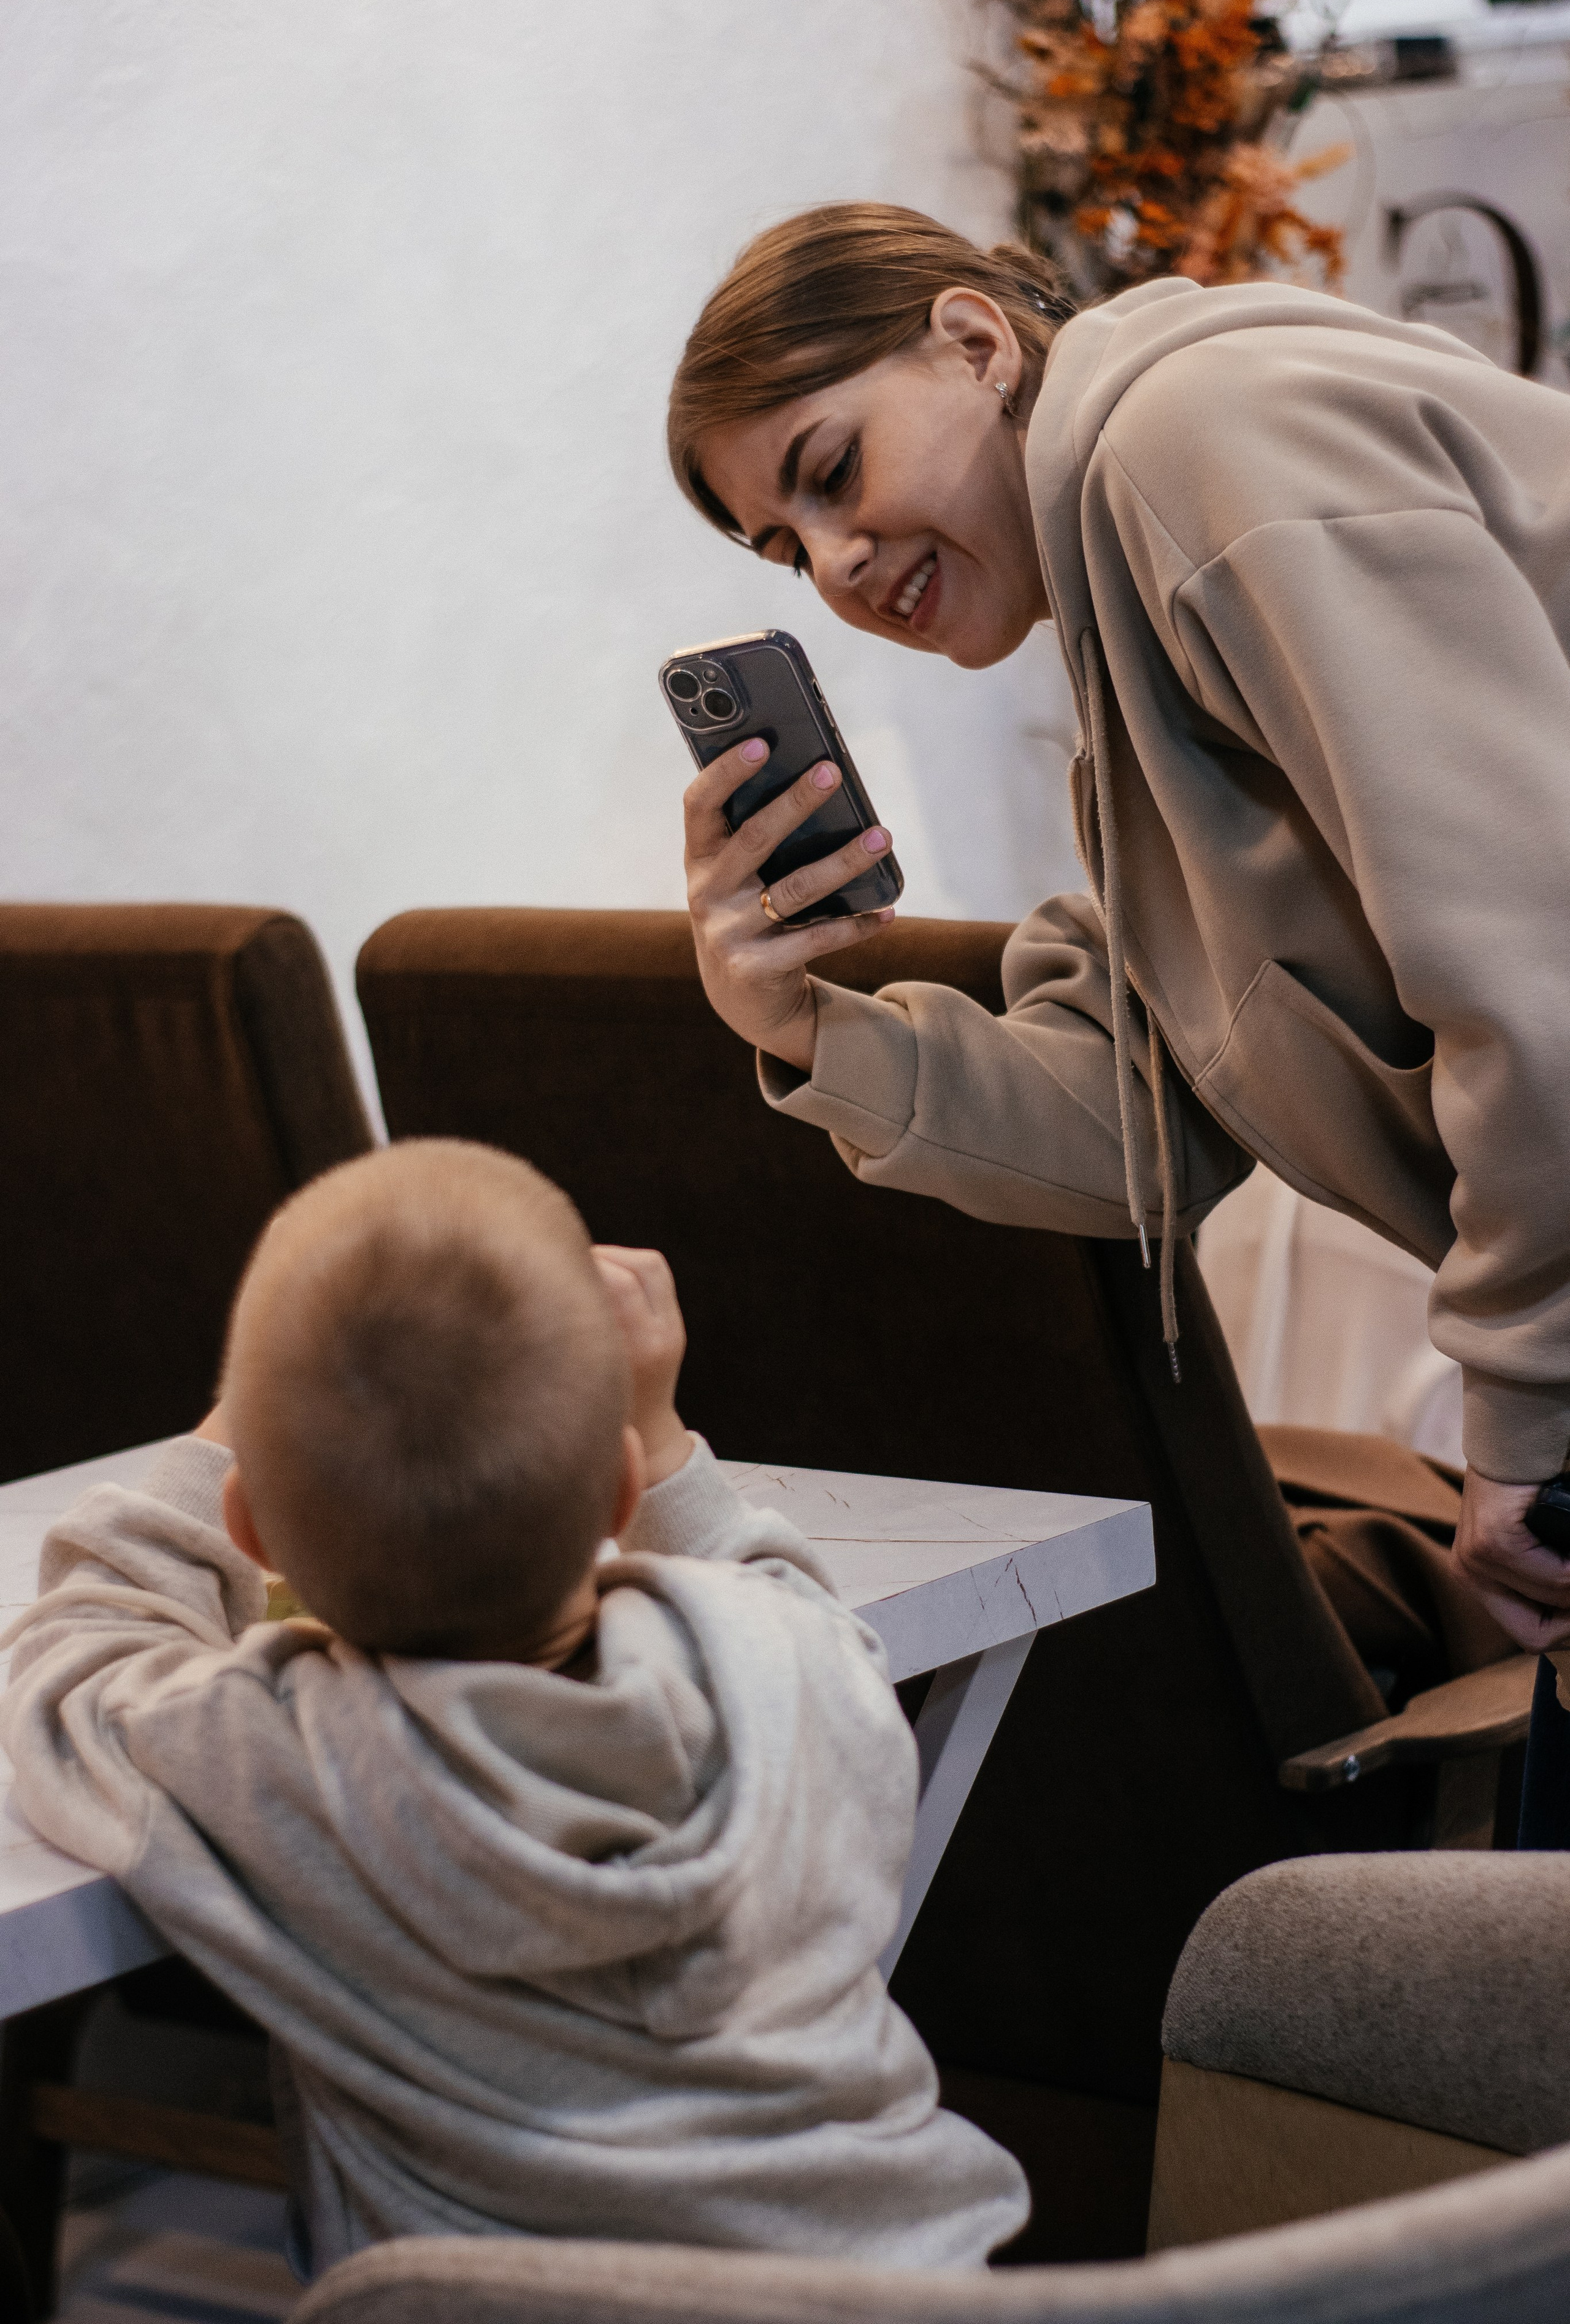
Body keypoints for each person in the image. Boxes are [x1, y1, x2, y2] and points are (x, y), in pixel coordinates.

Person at [665, 201, 1570, 1671]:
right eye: (787, 548)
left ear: (975, 344)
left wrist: (1530, 1398)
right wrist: (804, 1027)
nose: (833, 565)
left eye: (832, 472)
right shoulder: (1126, 615)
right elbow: (1156, 1120)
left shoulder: (1197, 442)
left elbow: (1538, 961)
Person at [0, 1139, 1027, 2274]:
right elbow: (779, 1595)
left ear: (250, 1533)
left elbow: (77, 1655)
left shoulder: (280, 1762)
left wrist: (231, 1430)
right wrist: (665, 1436)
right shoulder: (786, 1671)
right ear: (622, 1494)